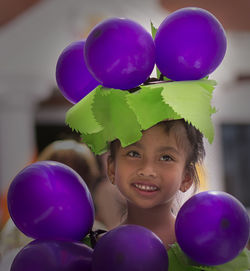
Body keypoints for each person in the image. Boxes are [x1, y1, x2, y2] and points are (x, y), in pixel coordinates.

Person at [106, 119, 204, 249]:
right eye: (134, 154)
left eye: (166, 158)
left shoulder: (201, 253)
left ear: (186, 178)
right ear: (112, 169)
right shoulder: (96, 250)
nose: (147, 171)